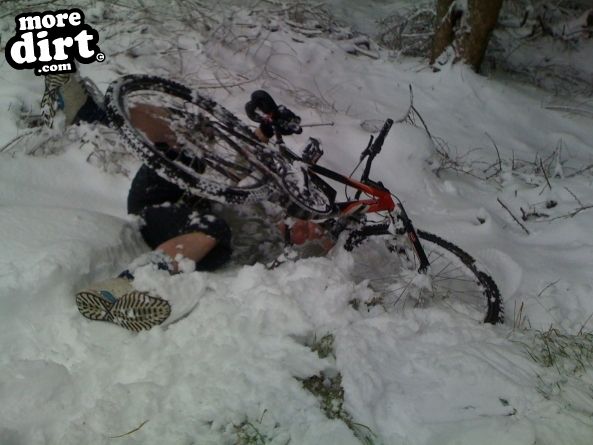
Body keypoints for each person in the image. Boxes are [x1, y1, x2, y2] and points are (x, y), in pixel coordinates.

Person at [43, 73, 333, 332]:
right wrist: (267, 129)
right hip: (168, 195)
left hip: (168, 220)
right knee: (182, 143)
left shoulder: (272, 249)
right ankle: (90, 112)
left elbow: (328, 253)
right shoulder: (267, 205)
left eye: (306, 235)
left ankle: (126, 284)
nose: (303, 231)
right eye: (306, 226)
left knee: (214, 227)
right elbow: (239, 164)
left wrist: (324, 237)